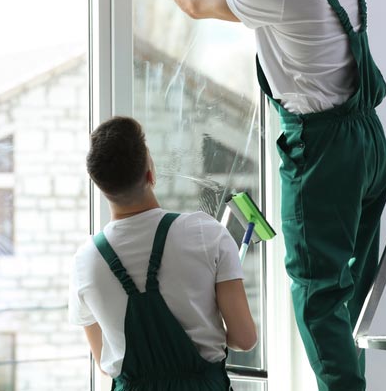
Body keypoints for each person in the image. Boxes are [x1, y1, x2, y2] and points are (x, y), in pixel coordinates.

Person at [131, 0, 386, 391]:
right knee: (355, 280)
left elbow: (194, 2)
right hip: (368, 139)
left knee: (317, 289)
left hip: (321, 149)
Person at [69, 116, 257, 390]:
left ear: (101, 187)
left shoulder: (85, 262)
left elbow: (105, 360)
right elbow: (244, 338)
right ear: (150, 174)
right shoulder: (206, 232)